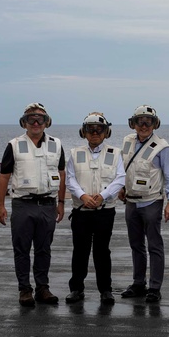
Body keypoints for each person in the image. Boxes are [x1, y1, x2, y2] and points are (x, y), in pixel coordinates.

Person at [0, 103, 66, 307]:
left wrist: (60, 203)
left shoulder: (56, 144)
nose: (36, 122)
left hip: (47, 204)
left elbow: (62, 175)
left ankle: (43, 288)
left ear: (47, 122)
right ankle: (25, 290)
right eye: (31, 119)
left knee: (44, 249)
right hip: (22, 205)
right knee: (22, 249)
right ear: (24, 122)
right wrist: (0, 205)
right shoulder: (14, 145)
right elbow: (4, 176)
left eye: (40, 119)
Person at [118, 105, 169, 303]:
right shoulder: (127, 141)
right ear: (133, 123)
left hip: (152, 201)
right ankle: (138, 283)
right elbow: (122, 167)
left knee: (154, 245)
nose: (143, 125)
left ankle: (154, 287)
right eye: (140, 121)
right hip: (131, 202)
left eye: (148, 121)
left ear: (155, 124)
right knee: (136, 245)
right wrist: (120, 186)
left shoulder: (163, 147)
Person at [65, 112, 125, 305]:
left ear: (106, 132)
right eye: (90, 129)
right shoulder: (75, 153)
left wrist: (102, 196)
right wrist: (83, 196)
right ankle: (76, 289)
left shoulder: (115, 154)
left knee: (102, 251)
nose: (95, 133)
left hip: (104, 211)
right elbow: (70, 178)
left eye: (99, 130)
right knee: (80, 251)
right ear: (84, 132)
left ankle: (105, 290)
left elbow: (120, 178)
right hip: (81, 211)